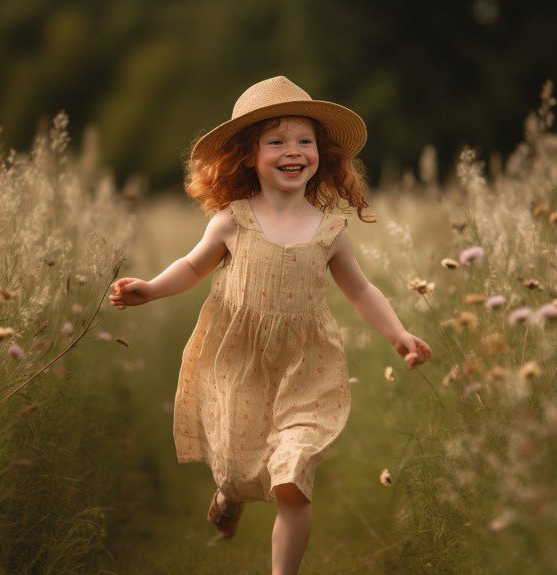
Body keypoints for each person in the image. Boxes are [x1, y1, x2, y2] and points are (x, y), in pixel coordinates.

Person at [109, 76, 433, 575]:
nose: (293, 152)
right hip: (239, 358)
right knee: (240, 467)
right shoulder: (232, 221)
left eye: (305, 141)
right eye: (276, 141)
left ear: (322, 153)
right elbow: (193, 267)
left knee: (293, 475)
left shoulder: (331, 232)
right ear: (248, 154)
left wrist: (399, 334)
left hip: (307, 365)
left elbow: (362, 291)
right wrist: (151, 288)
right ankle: (230, 493)